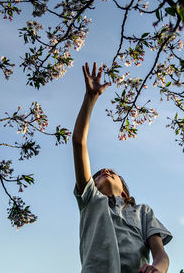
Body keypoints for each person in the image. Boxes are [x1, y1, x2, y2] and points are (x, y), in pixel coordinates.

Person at [72, 62, 172, 273]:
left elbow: (161, 254)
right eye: (98, 174)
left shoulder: (142, 211)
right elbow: (78, 141)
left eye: (112, 173)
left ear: (125, 191)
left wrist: (158, 269)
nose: (105, 172)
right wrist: (90, 99)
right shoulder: (90, 199)